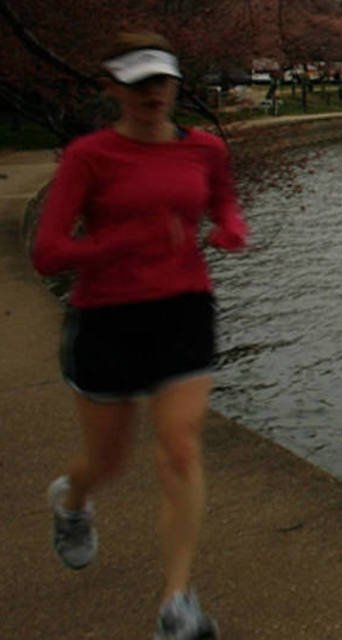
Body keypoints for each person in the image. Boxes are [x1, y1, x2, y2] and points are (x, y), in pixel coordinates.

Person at [31, 31, 247, 640]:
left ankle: (176, 603)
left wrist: (229, 229)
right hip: (107, 319)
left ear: (176, 84)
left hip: (183, 312)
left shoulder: (204, 150)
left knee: (180, 447)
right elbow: (48, 251)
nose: (152, 95)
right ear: (113, 89)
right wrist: (119, 244)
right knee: (107, 460)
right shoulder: (89, 157)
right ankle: (71, 501)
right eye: (137, 84)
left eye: (161, 82)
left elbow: (223, 206)